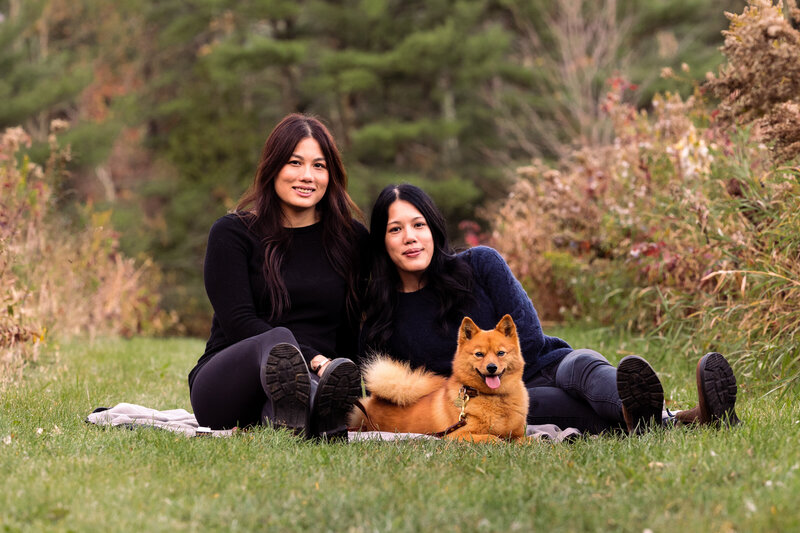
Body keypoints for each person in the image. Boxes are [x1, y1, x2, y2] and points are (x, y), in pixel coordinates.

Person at [360, 184, 739, 435]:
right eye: (395, 230)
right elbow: (411, 393)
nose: (410, 237)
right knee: (568, 406)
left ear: (433, 229)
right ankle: (688, 421)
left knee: (587, 365)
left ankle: (654, 413)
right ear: (382, 242)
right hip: (493, 397)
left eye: (418, 224)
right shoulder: (383, 315)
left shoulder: (480, 263)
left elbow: (528, 332)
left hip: (548, 362)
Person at [188, 114, 369, 440]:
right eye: (294, 162)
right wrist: (314, 359)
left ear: (332, 175)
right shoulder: (233, 233)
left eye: (319, 166)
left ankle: (308, 413)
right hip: (228, 386)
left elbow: (350, 329)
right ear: (273, 168)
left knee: (287, 412)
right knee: (277, 339)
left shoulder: (351, 240)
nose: (307, 176)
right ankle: (320, 408)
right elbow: (239, 322)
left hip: (311, 386)